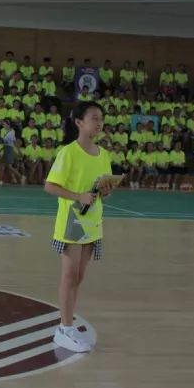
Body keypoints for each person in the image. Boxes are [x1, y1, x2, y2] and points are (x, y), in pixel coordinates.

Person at [43, 100, 115, 354]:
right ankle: (64, 328)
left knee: (79, 276)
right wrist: (78, 196)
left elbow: (102, 186)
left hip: (93, 222)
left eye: (101, 118)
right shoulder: (69, 152)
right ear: (79, 122)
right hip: (72, 220)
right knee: (69, 275)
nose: (99, 123)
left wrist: (106, 191)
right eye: (94, 118)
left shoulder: (103, 154)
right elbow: (50, 186)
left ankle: (69, 325)